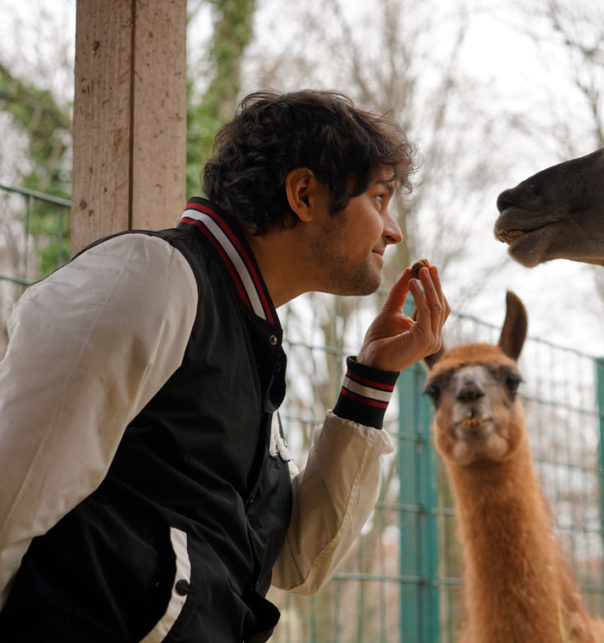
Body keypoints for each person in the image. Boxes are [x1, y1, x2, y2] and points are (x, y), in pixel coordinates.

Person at [0, 90, 450, 642]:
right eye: (378, 199)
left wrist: (371, 381)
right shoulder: (150, 277)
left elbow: (298, 562)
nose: (393, 230)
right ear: (304, 194)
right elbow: (10, 496)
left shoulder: (251, 336)